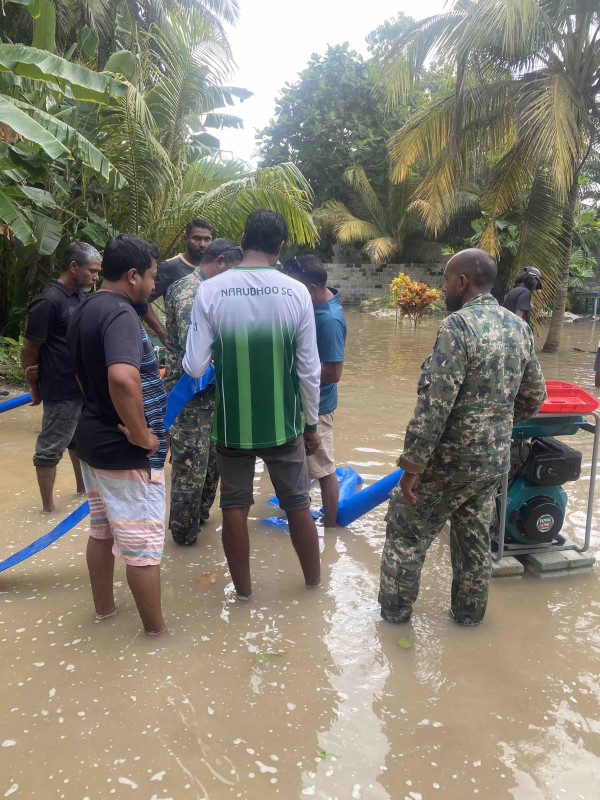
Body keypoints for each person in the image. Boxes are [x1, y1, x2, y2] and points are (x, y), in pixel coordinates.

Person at [379, 248, 547, 626]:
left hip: (448, 463)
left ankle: (393, 621)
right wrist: (496, 426)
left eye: (445, 278)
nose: (442, 286)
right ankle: (468, 620)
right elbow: (535, 396)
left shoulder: (459, 327)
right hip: (491, 463)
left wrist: (412, 466)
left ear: (462, 281)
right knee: (473, 541)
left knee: (406, 533)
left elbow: (434, 406)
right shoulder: (519, 328)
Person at [183, 209, 322, 598]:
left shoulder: (210, 290)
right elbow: (309, 369)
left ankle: (243, 595)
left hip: (232, 425)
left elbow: (194, 366)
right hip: (284, 425)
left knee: (234, 506)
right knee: (297, 505)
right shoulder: (295, 291)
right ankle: (314, 586)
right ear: (280, 247)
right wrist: (310, 425)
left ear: (242, 240)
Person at [67, 234, 168, 635]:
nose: (153, 285)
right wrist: (144, 437)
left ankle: (105, 611)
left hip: (92, 440)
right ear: (132, 275)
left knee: (102, 530)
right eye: (151, 276)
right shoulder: (122, 314)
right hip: (124, 452)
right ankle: (157, 636)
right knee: (143, 550)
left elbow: (79, 373)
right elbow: (122, 379)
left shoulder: (85, 307)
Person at [164, 238, 242, 546]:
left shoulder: (213, 290)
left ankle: (199, 518)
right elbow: (195, 355)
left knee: (212, 464)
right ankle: (184, 538)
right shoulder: (190, 292)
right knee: (190, 469)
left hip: (212, 395)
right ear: (220, 261)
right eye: (233, 272)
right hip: (189, 398)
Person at [20, 242, 101, 513]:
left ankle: (82, 491)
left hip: (82, 388)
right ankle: (48, 510)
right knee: (50, 447)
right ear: (73, 267)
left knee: (80, 442)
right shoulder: (49, 300)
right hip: (60, 387)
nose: (95, 277)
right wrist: (35, 386)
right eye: (92, 271)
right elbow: (30, 348)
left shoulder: (81, 296)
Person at [282, 255, 347, 527]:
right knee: (302, 467)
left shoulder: (328, 319)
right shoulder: (311, 308)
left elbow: (333, 373)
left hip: (316, 407)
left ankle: (330, 526)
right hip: (302, 403)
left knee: (322, 469)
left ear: (310, 288)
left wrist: (289, 372)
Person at [142, 219, 212, 343]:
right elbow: (142, 300)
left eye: (207, 239)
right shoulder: (169, 267)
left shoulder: (212, 269)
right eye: (197, 238)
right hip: (179, 350)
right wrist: (161, 331)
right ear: (186, 239)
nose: (202, 244)